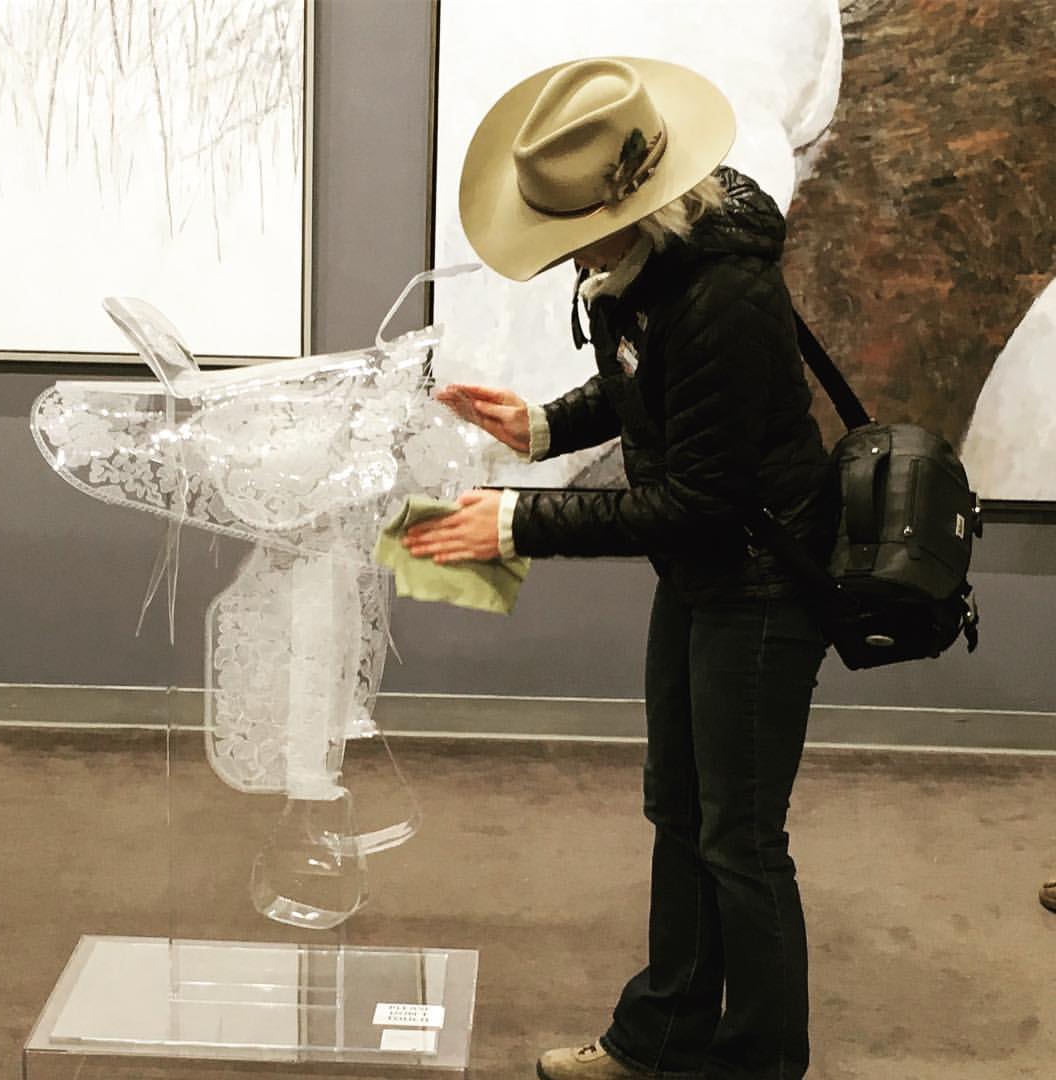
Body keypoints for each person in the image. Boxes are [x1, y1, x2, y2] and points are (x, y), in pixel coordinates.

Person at [404, 57, 838, 1080]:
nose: (562, 254)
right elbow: (647, 387)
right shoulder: (647, 271)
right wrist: (544, 426)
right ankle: (664, 1036)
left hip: (763, 583)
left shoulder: (725, 295)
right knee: (679, 814)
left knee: (740, 839)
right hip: (703, 576)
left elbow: (700, 498)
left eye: (568, 233)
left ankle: (761, 1063)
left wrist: (519, 523)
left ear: (631, 205)